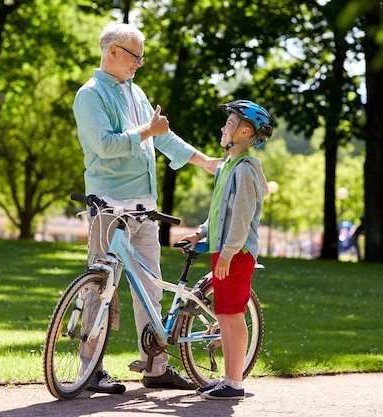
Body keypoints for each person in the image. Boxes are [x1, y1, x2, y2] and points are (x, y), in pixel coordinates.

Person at [72, 22, 219, 394]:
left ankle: (156, 367)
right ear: (113, 51)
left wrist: (205, 162)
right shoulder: (90, 96)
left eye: (142, 56)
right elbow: (105, 145)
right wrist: (146, 133)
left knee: (150, 289)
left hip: (145, 210)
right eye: (135, 55)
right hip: (109, 207)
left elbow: (163, 136)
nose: (139, 63)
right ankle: (90, 371)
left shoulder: (135, 92)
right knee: (100, 289)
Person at [180, 99, 274, 400]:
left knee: (233, 317)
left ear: (246, 133)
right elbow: (220, 211)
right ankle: (228, 380)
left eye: (230, 123)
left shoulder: (245, 171)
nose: (224, 127)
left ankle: (235, 383)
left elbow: (242, 217)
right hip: (224, 251)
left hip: (237, 253)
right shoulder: (227, 167)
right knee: (223, 315)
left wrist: (231, 252)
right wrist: (202, 232)